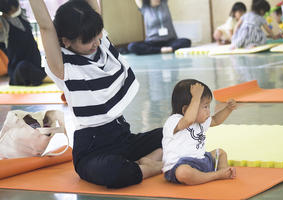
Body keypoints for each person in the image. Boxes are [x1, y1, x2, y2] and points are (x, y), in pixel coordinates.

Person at [28, 0, 163, 188]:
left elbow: (94, 13)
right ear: (67, 41)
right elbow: (45, 27)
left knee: (173, 132)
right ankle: (149, 167)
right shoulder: (63, 66)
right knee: (115, 172)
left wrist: (96, 35)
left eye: (97, 36)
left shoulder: (101, 44)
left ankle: (143, 162)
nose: (96, 43)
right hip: (92, 150)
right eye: (88, 41)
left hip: (123, 137)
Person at [162, 79, 237, 185]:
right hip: (180, 166)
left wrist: (228, 109)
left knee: (220, 153)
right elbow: (188, 120)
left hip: (201, 161)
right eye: (205, 107)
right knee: (183, 172)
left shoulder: (201, 120)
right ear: (185, 110)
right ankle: (217, 175)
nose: (208, 111)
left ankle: (223, 173)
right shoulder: (174, 120)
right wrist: (196, 97)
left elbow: (215, 120)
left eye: (208, 106)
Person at [0, 0, 46, 85]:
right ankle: (44, 77)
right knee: (23, 67)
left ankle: (41, 76)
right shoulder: (3, 23)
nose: (15, 10)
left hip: (35, 64)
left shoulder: (22, 15)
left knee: (45, 67)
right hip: (19, 68)